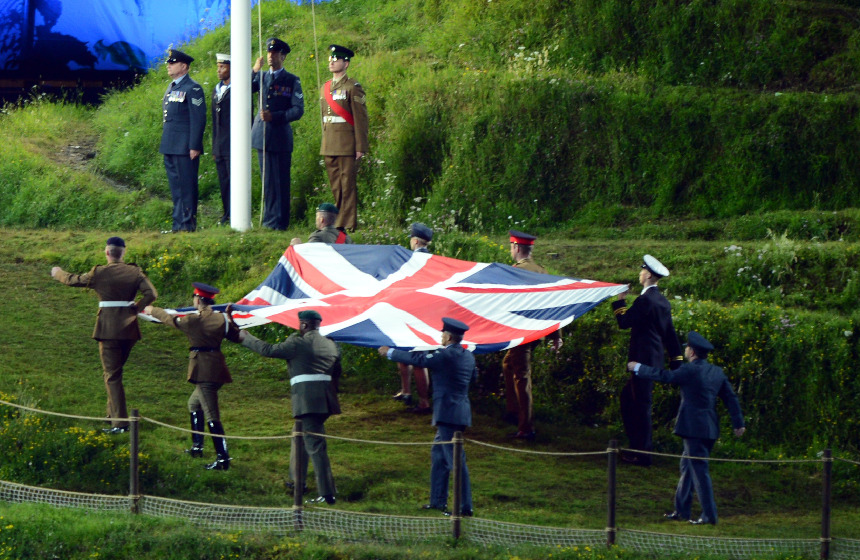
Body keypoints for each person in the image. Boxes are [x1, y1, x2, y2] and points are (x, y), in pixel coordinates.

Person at [627, 331, 745, 525]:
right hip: (709, 428)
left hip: (693, 428)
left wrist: (638, 367)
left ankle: (709, 516)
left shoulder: (690, 370)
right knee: (687, 468)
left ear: (692, 352)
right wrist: (738, 423)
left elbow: (664, 376)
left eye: (687, 348)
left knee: (699, 471)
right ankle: (681, 511)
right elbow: (730, 398)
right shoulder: (717, 372)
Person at [50, 237, 158, 434]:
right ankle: (111, 415)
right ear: (123, 253)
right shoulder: (135, 271)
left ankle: (120, 423)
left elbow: (73, 280)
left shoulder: (99, 272)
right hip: (129, 329)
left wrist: (57, 273)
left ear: (107, 252)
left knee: (112, 375)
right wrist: (137, 308)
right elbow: (151, 294)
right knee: (114, 372)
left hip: (108, 329)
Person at [233, 309, 341, 505]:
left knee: (316, 447)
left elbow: (269, 350)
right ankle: (297, 482)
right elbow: (338, 373)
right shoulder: (331, 344)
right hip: (325, 400)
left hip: (307, 402)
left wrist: (246, 338)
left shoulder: (297, 342)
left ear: (304, 325)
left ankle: (327, 494)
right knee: (299, 438)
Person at [378, 318, 476, 517]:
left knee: (455, 461)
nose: (441, 337)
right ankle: (438, 501)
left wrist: (390, 352)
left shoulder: (446, 354)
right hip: (460, 410)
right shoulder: (468, 356)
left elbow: (419, 361)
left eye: (442, 335)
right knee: (439, 457)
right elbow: (473, 379)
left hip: (448, 412)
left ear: (448, 336)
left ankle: (464, 507)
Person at [144, 282, 241, 470]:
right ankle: (197, 447)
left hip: (204, 372)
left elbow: (170, 319)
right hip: (217, 369)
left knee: (212, 415)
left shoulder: (192, 321)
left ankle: (223, 459)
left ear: (197, 300)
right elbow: (236, 337)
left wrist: (152, 310)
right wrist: (230, 318)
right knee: (193, 404)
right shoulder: (222, 320)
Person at [612, 254, 684, 466]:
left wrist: (619, 300)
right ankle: (637, 447)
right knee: (629, 399)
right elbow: (669, 333)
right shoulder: (662, 301)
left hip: (641, 362)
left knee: (640, 406)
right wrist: (676, 360)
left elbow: (624, 322)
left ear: (649, 275)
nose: (640, 273)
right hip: (654, 360)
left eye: (642, 270)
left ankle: (642, 454)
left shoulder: (645, 300)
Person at [502, 230, 562, 441]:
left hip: (522, 332)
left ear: (516, 248)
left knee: (522, 377)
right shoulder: (543, 272)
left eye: (511, 247)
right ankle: (513, 412)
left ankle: (526, 427)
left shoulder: (515, 272)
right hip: (538, 331)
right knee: (508, 365)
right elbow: (553, 306)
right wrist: (556, 335)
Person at [252, 37, 304, 230]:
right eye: (269, 52)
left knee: (280, 181)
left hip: (280, 137)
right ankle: (269, 220)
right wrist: (254, 70)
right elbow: (244, 89)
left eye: (274, 53)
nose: (270, 56)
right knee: (268, 181)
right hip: (261, 136)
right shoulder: (262, 76)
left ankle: (280, 221)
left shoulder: (291, 80)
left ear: (283, 56)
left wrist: (275, 116)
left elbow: (297, 110)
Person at [320, 44, 369, 232]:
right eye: (330, 59)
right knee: (335, 186)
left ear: (346, 63)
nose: (332, 62)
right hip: (329, 144)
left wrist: (360, 146)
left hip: (347, 144)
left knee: (347, 185)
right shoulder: (325, 87)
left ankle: (346, 223)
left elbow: (360, 119)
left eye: (336, 59)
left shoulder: (353, 87)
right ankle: (336, 221)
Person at [160, 49, 206, 233]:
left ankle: (187, 225)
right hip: (170, 145)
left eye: (173, 63)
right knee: (176, 189)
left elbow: (198, 118)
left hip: (185, 147)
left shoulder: (192, 88)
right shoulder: (172, 86)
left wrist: (194, 145)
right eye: (168, 63)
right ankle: (178, 224)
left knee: (186, 187)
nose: (168, 66)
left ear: (184, 66)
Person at [391, 223, 433, 413]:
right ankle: (407, 392)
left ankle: (422, 400)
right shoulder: (434, 261)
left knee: (416, 358)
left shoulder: (410, 261)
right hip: (423, 313)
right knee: (410, 355)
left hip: (410, 312)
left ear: (415, 241)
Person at [212, 52, 232, 225]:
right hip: (220, 144)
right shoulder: (216, 89)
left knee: (234, 180)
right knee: (223, 181)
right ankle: (226, 213)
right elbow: (214, 120)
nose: (219, 71)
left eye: (223, 67)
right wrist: (214, 146)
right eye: (218, 67)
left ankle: (234, 213)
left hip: (233, 144)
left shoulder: (237, 89)